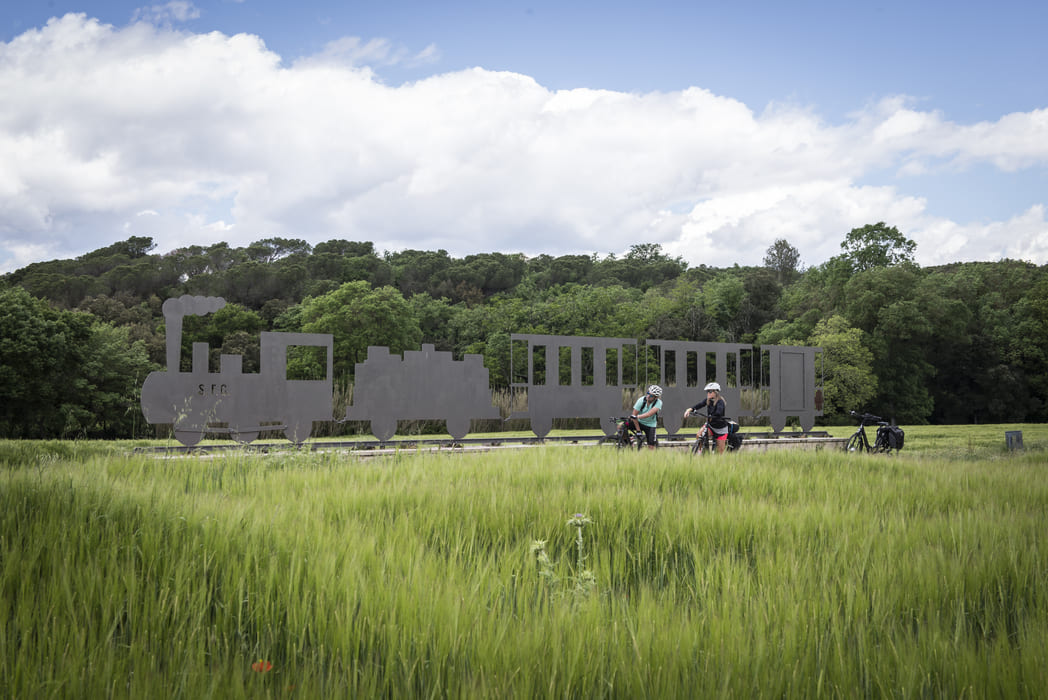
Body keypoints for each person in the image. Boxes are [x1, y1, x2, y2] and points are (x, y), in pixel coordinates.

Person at [684, 381, 729, 454]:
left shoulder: (720, 401)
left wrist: (713, 416)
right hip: (710, 426)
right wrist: (689, 409)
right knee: (699, 435)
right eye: (707, 391)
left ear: (715, 392)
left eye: (710, 391)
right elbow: (699, 405)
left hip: (720, 429)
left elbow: (719, 412)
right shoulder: (708, 400)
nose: (708, 393)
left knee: (720, 453)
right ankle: (702, 451)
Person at [630, 384, 663, 449]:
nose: (648, 396)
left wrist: (638, 417)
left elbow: (649, 414)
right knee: (621, 425)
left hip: (650, 425)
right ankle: (628, 441)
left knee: (651, 447)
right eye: (648, 393)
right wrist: (638, 430)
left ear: (656, 397)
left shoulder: (659, 403)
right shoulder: (641, 400)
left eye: (651, 395)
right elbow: (634, 415)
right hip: (639, 422)